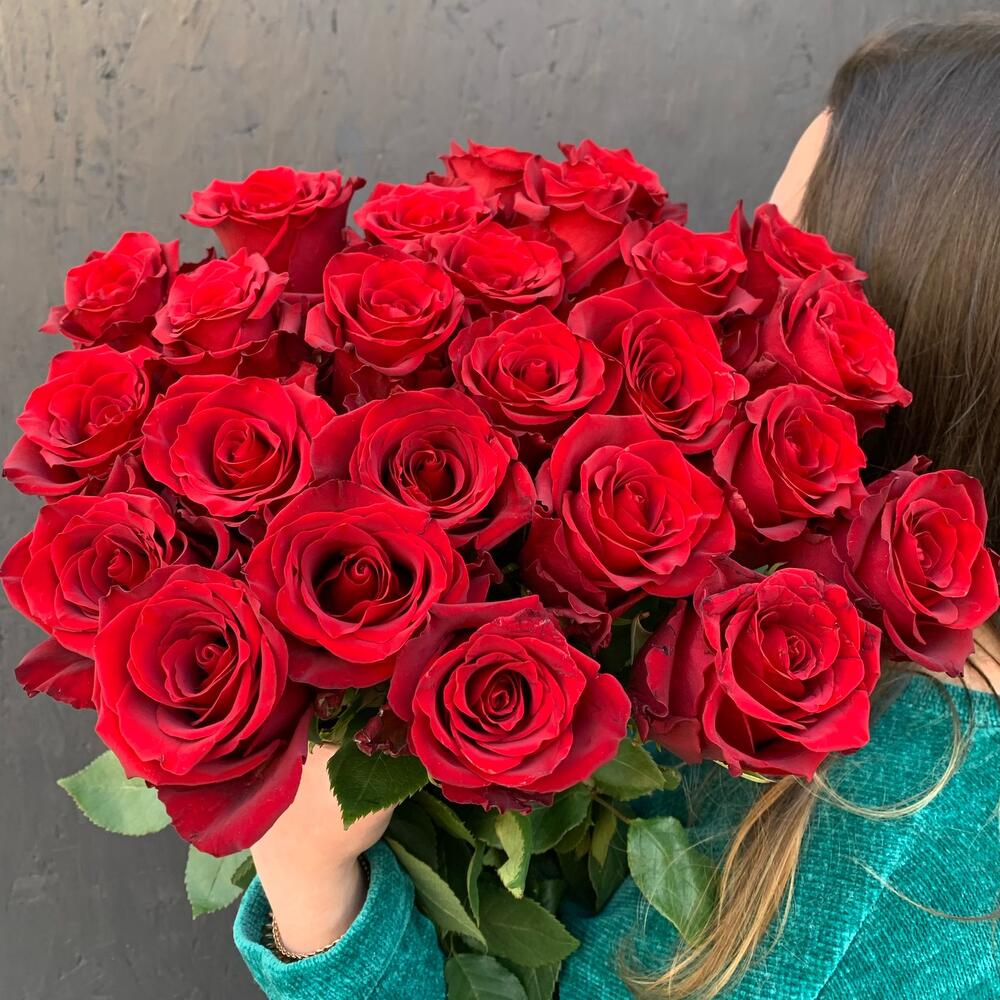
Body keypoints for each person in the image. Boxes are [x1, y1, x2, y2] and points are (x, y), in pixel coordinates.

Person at [233, 16, 1000, 999]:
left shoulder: (889, 817)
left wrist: (312, 886)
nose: (731, 276)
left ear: (888, 334)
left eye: (777, 250)